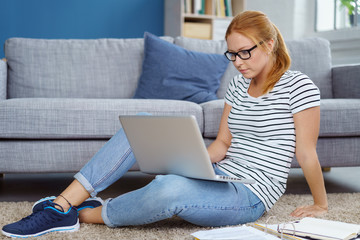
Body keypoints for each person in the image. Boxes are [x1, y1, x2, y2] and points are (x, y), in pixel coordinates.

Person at [2, 10, 328, 238]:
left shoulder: (298, 86)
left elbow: (307, 154)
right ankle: (62, 205)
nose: (238, 63)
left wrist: (321, 203)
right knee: (141, 125)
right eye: (232, 55)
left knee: (168, 189)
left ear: (269, 44)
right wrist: (186, 158)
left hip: (250, 194)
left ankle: (84, 215)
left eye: (245, 53)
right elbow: (222, 145)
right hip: (221, 174)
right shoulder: (238, 86)